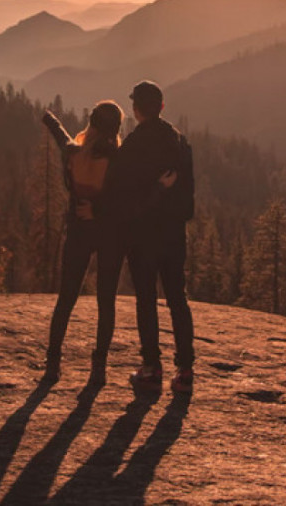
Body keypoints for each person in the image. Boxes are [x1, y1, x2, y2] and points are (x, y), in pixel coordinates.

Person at [100, 80, 196, 394]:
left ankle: (151, 368)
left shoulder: (133, 145)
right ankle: (185, 371)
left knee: (146, 300)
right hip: (173, 235)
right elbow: (189, 197)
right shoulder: (179, 142)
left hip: (143, 237)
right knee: (177, 299)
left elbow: (118, 194)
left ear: (136, 110)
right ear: (162, 107)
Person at [40, 102, 128, 384]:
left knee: (66, 298)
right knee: (106, 302)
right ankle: (98, 366)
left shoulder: (74, 154)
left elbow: (62, 137)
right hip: (110, 235)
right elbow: (123, 201)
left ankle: (53, 363)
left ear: (91, 126)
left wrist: (50, 120)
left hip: (80, 231)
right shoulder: (119, 160)